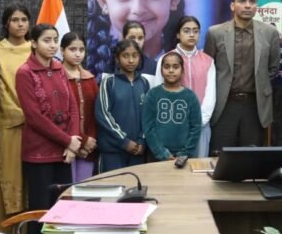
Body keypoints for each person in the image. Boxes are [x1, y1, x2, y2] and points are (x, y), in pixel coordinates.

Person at [15, 24, 80, 234]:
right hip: (39, 153)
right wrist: (68, 141)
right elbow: (34, 117)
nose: (52, 45)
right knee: (40, 212)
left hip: (64, 152)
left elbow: (73, 107)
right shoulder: (25, 72)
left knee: (63, 209)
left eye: (55, 40)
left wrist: (73, 142)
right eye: (46, 40)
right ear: (33, 43)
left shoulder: (60, 68)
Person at [205, 0, 281, 153]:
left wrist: (259, 84)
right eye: (242, 1)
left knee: (251, 157)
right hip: (224, 104)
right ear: (232, 5)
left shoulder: (270, 33)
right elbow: (208, 68)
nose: (247, 5)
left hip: (255, 105)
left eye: (252, 1)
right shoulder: (215, 33)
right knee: (219, 156)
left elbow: (273, 67)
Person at [0, 3, 32, 225]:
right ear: (6, 23)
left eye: (24, 20)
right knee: (8, 180)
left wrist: (35, 115)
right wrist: (21, 113)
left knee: (32, 181)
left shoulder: (36, 49)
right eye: (15, 20)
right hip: (10, 125)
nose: (20, 24)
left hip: (38, 128)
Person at [155, 16, 216, 157]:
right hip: (172, 126)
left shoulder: (208, 61)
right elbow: (158, 93)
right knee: (172, 167)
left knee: (198, 166)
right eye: (186, 31)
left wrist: (198, 122)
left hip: (201, 126)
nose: (192, 35)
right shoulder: (166, 59)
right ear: (178, 34)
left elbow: (210, 96)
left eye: (196, 31)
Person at [95, 39, 150, 171]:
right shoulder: (109, 82)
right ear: (117, 58)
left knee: (136, 184)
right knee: (113, 184)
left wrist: (142, 140)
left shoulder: (144, 83)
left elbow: (148, 115)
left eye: (135, 56)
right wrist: (124, 141)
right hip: (113, 151)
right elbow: (103, 114)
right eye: (125, 56)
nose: (131, 60)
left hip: (138, 151)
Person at [143, 51, 202, 161]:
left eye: (175, 67)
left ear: (182, 71)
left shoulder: (191, 96)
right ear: (161, 70)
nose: (171, 70)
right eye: (166, 67)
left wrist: (184, 153)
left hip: (185, 158)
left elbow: (196, 128)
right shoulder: (152, 95)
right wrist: (161, 153)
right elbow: (148, 128)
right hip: (156, 156)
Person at [60, 32, 99, 182]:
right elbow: (59, 115)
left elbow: (96, 113)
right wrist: (82, 140)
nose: (78, 54)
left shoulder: (89, 78)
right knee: (66, 189)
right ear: (62, 51)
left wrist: (90, 141)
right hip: (65, 145)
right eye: (72, 49)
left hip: (88, 147)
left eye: (81, 50)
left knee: (84, 188)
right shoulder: (57, 77)